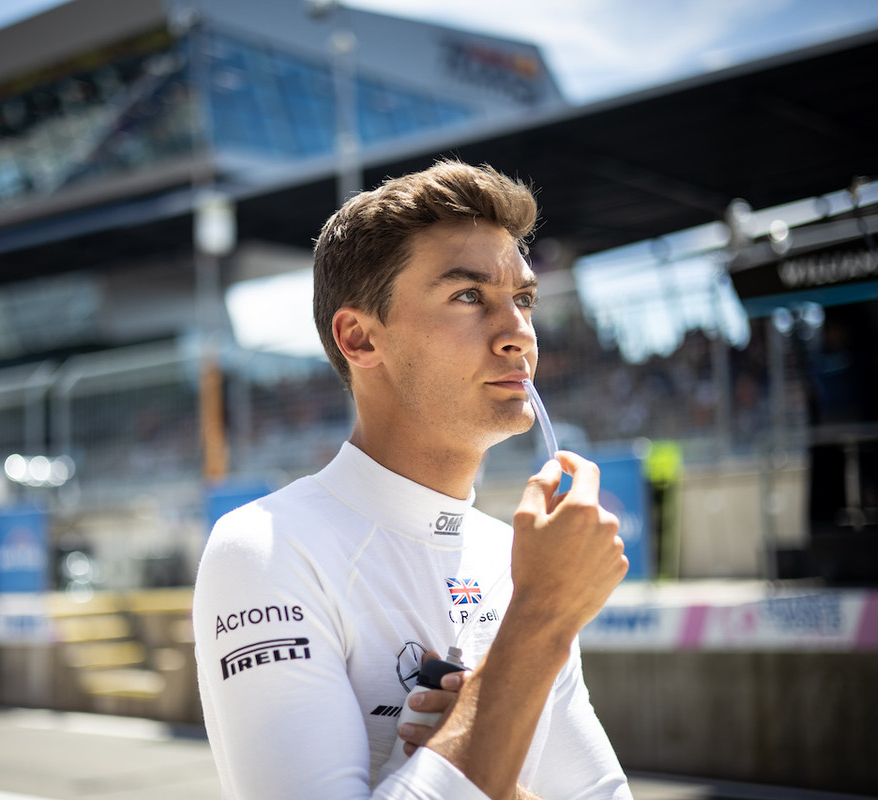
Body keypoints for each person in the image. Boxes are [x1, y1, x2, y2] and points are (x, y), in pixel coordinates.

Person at [194, 160, 630, 799]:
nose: (519, 333)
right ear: (359, 339)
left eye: (524, 299)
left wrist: (488, 761)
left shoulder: (514, 559)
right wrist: (539, 620)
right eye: (469, 296)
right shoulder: (265, 548)